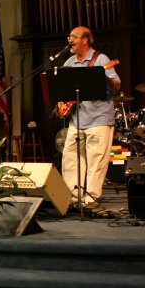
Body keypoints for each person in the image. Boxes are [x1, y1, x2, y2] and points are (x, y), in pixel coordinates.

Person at [60, 26, 121, 208]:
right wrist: (62, 103)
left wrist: (104, 77)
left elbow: (116, 85)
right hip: (77, 119)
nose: (69, 40)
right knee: (70, 159)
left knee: (96, 161)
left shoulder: (101, 59)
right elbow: (62, 87)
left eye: (73, 37)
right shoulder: (70, 61)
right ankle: (72, 197)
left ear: (85, 40)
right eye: (69, 36)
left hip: (98, 118)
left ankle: (91, 198)